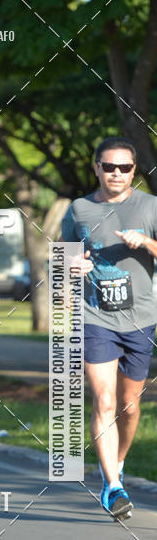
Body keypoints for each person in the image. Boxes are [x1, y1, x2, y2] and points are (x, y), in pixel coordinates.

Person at [62, 136, 157, 520]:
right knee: (103, 401)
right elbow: (64, 255)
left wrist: (147, 242)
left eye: (125, 167)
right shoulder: (80, 209)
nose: (116, 173)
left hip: (141, 318)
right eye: (109, 166)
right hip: (95, 317)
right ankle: (113, 486)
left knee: (129, 407)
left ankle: (115, 465)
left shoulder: (150, 206)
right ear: (96, 167)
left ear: (134, 170)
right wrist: (72, 266)